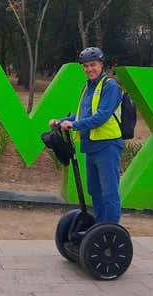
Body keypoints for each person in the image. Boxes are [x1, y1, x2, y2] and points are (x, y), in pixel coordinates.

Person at [49, 47, 124, 224]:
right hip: (91, 147)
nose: (89, 69)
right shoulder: (87, 87)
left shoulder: (110, 86)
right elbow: (82, 115)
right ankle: (99, 228)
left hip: (108, 146)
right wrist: (61, 121)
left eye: (93, 65)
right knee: (94, 190)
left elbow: (101, 117)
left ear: (101, 65)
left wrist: (73, 125)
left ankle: (111, 231)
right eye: (86, 66)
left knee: (109, 192)